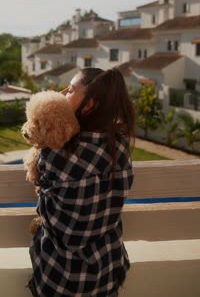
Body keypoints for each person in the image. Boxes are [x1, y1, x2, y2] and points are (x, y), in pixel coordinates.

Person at [27, 67, 135, 296]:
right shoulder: (121, 146)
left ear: (88, 105)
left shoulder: (55, 155)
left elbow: (46, 211)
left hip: (59, 277)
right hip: (107, 271)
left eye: (71, 90)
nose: (63, 92)